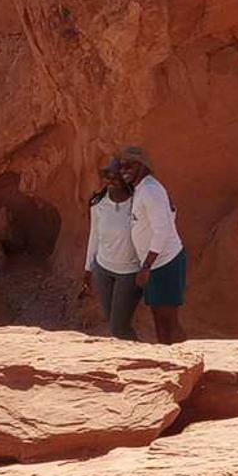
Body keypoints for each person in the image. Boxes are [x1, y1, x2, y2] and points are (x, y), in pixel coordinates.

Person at [117, 145, 186, 344]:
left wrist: (146, 266)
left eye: (129, 166)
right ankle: (169, 360)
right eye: (121, 167)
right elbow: (169, 215)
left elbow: (162, 230)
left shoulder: (150, 190)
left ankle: (186, 362)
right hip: (157, 263)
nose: (124, 171)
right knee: (159, 316)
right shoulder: (143, 189)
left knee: (168, 319)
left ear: (141, 166)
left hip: (165, 262)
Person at [82, 159, 143, 340]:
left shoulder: (138, 203)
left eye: (115, 175)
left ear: (126, 178)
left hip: (129, 273)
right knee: (114, 323)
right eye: (107, 175)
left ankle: (143, 360)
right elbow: (94, 237)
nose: (111, 179)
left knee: (119, 328)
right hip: (103, 271)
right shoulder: (98, 204)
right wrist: (87, 269)